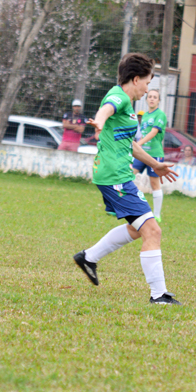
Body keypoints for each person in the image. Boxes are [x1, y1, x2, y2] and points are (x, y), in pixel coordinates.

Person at [72, 52, 181, 305]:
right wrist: (99, 122)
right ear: (135, 79)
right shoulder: (118, 97)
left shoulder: (129, 106)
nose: (147, 88)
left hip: (114, 175)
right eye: (147, 82)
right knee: (152, 230)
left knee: (136, 228)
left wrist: (155, 165)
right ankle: (159, 295)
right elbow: (105, 109)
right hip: (114, 177)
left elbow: (130, 144)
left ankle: (88, 257)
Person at [132, 89, 168, 223]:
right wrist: (139, 145)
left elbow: (153, 132)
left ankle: (156, 215)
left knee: (154, 184)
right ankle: (128, 207)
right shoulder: (145, 115)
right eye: (150, 96)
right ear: (146, 99)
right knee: (128, 175)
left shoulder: (160, 115)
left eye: (155, 97)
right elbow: (143, 133)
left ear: (158, 100)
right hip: (142, 154)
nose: (152, 99)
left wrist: (138, 144)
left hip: (154, 155)